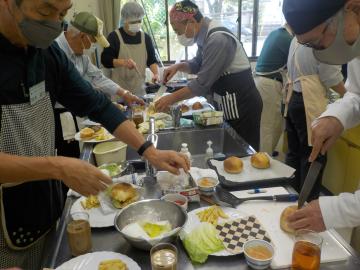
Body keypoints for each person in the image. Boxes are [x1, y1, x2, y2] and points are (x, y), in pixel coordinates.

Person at [0, 0, 189, 269]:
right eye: (45, 11)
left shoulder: (46, 54)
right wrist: (58, 167)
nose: (54, 23)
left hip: (42, 207)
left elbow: (97, 105)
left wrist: (150, 151)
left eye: (62, 14)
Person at [282, 0, 360, 232]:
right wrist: (336, 117)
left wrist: (335, 211)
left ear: (353, 8)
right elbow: (356, 94)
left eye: (317, 41)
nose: (319, 52)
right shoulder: (354, 42)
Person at [155, 0, 263, 150]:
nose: (179, 36)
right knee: (230, 152)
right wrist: (178, 66)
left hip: (242, 105)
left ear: (191, 21)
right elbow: (198, 64)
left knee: (243, 154)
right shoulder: (204, 35)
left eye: (179, 31)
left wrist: (171, 98)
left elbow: (201, 84)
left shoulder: (217, 39)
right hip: (229, 102)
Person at [55, 12, 144, 158]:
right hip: (58, 118)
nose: (94, 46)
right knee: (66, 159)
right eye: (93, 41)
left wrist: (125, 93)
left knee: (78, 156)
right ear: (82, 36)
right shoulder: (55, 50)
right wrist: (104, 105)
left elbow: (98, 78)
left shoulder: (81, 56)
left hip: (76, 114)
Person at [285, 38, 345, 200]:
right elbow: (330, 77)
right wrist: (349, 95)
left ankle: (290, 198)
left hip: (293, 100)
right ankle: (306, 204)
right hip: (308, 103)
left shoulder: (296, 38)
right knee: (313, 157)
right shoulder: (322, 39)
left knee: (295, 154)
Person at [101, 1, 160, 97]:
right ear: (125, 20)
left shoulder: (145, 38)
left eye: (139, 21)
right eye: (133, 22)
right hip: (120, 92)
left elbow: (151, 60)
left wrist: (156, 74)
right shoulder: (114, 37)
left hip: (140, 91)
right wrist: (123, 62)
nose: (137, 24)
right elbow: (105, 60)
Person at [254, 24, 293, 155]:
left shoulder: (276, 33)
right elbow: (297, 65)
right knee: (269, 127)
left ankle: (266, 154)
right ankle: (264, 161)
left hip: (262, 83)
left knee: (268, 125)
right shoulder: (287, 39)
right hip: (269, 85)